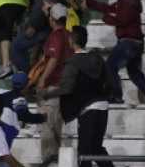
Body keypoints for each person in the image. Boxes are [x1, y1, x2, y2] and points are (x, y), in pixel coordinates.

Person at [41, 26, 114, 167]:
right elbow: (109, 81)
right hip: (103, 106)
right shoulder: (97, 58)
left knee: (85, 151)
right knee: (96, 148)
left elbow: (66, 88)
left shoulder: (73, 62)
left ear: (71, 41)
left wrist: (47, 94)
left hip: (88, 109)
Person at [82, 0, 145, 104]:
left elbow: (122, 20)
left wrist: (106, 19)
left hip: (129, 42)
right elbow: (111, 9)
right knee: (135, 74)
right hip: (134, 42)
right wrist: (91, 3)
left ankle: (116, 96)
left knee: (110, 66)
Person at [33, 3, 74, 167]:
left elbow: (54, 58)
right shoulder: (70, 35)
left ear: (52, 19)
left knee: (47, 125)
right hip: (64, 87)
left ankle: (50, 160)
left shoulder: (56, 36)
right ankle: (56, 160)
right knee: (56, 126)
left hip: (53, 87)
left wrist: (42, 80)